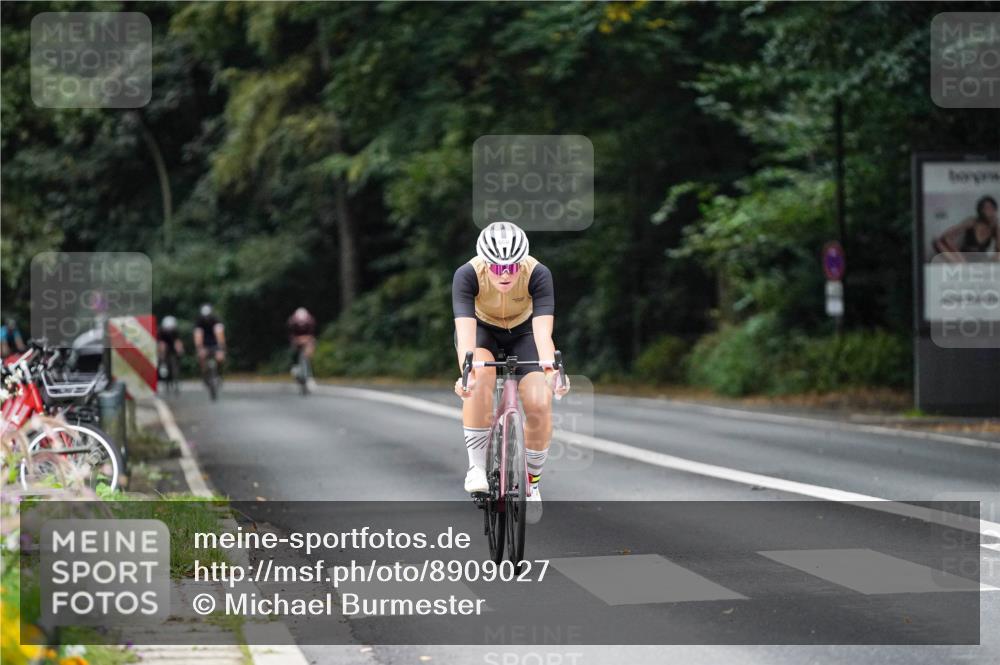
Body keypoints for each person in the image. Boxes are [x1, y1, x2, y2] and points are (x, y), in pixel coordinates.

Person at [452, 221, 570, 524]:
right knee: (480, 380)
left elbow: (543, 334)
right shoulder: (466, 275)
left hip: (525, 333)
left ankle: (531, 484)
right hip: (482, 332)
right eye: (496, 268)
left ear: (522, 264)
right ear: (485, 264)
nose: (504, 274)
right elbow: (465, 335)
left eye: (512, 268)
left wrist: (551, 372)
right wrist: (466, 375)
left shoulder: (538, 273)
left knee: (540, 402)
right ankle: (477, 468)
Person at [933, 195, 999, 262]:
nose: (989, 211)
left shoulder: (995, 227)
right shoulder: (973, 221)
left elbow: (998, 249)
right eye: (986, 208)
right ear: (981, 210)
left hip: (981, 258)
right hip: (964, 256)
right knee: (938, 242)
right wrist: (955, 251)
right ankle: (962, 264)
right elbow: (946, 235)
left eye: (992, 208)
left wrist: (997, 228)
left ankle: (963, 265)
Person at [193, 304, 226, 375]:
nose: (206, 318)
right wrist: (199, 347)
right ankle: (204, 372)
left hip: (215, 343)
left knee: (220, 358)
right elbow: (198, 335)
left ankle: (219, 372)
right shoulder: (199, 322)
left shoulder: (216, 320)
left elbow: (220, 334)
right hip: (204, 343)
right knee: (201, 356)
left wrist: (221, 347)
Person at [287, 307, 317, 382]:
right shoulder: (292, 323)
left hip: (307, 339)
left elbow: (312, 335)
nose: (301, 326)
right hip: (297, 339)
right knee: (293, 351)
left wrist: (307, 341)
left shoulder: (310, 322)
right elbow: (291, 336)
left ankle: (309, 374)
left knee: (309, 352)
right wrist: (298, 340)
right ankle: (294, 367)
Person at [157, 316, 184, 385]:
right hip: (164, 344)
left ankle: (175, 373)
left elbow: (178, 341)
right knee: (162, 348)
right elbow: (160, 343)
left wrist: (180, 350)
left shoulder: (175, 331)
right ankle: (163, 364)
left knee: (177, 352)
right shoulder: (161, 331)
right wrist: (161, 354)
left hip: (172, 345)